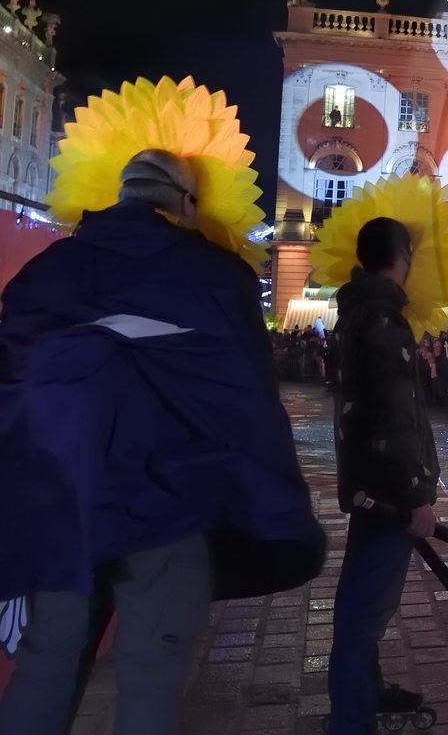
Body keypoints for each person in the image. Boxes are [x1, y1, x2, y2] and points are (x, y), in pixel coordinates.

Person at [0, 149, 323, 735]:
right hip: (171, 504)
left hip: (64, 507)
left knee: (46, 663)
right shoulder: (215, 275)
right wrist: (272, 510)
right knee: (152, 671)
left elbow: (15, 385)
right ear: (185, 203)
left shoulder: (48, 272)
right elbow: (247, 398)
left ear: (120, 193)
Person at [327, 217, 439, 733]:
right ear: (402, 255)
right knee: (364, 611)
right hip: (388, 489)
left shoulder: (355, 310)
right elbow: (396, 413)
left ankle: (365, 691)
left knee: (362, 603)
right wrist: (417, 493)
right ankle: (351, 718)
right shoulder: (383, 318)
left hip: (368, 481)